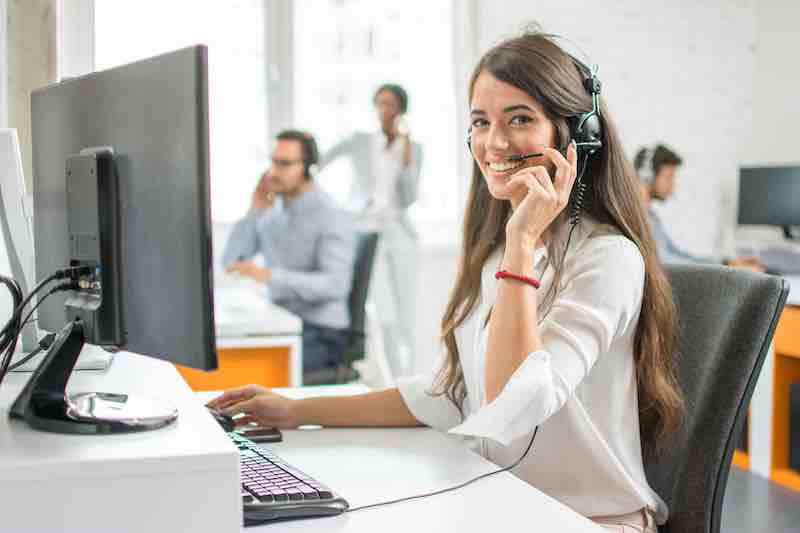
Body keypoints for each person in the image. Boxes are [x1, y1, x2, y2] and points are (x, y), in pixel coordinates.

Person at [210, 30, 685, 533]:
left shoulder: (607, 259)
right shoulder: (500, 253)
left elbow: (514, 405)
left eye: (519, 119)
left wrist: (524, 237)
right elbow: (453, 394)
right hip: (506, 505)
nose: (494, 143)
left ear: (576, 136)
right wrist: (297, 410)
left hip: (590, 520)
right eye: (481, 122)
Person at [222, 130, 356, 378]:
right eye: (272, 162)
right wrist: (254, 210)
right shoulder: (274, 210)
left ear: (308, 168)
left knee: (246, 371)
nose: (274, 172)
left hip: (322, 332)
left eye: (284, 164)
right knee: (224, 356)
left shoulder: (331, 215)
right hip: (281, 321)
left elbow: (336, 285)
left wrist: (270, 276)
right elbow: (232, 262)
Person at [319, 84, 423, 376]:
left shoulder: (413, 148)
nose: (383, 110)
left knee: (406, 308)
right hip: (365, 231)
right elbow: (319, 162)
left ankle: (409, 376)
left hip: (399, 233)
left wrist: (406, 158)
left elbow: (409, 197)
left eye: (389, 104)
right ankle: (390, 376)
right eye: (379, 103)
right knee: (381, 308)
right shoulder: (359, 141)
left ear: (401, 109)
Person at [634, 144, 762, 270]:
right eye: (669, 177)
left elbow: (678, 255)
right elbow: (667, 263)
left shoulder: (651, 217)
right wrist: (729, 268)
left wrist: (727, 263)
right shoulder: (638, 218)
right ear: (647, 176)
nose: (672, 187)